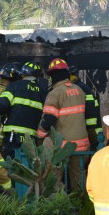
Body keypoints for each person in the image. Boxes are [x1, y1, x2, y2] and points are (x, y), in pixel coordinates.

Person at [37, 58, 89, 191]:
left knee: (54, 180)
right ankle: (81, 206)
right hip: (82, 145)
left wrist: (40, 136)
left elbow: (48, 120)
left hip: (61, 146)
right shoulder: (79, 91)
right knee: (79, 179)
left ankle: (59, 207)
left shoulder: (54, 94)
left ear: (52, 76)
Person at [0, 61, 48, 157]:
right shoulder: (43, 92)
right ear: (38, 77)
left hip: (13, 135)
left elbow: (1, 107)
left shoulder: (14, 86)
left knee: (12, 165)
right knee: (28, 167)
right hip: (31, 137)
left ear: (23, 74)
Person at [69, 65, 103, 150]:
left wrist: (91, 133)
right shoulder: (84, 88)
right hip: (92, 133)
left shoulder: (81, 89)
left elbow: (90, 113)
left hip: (89, 134)